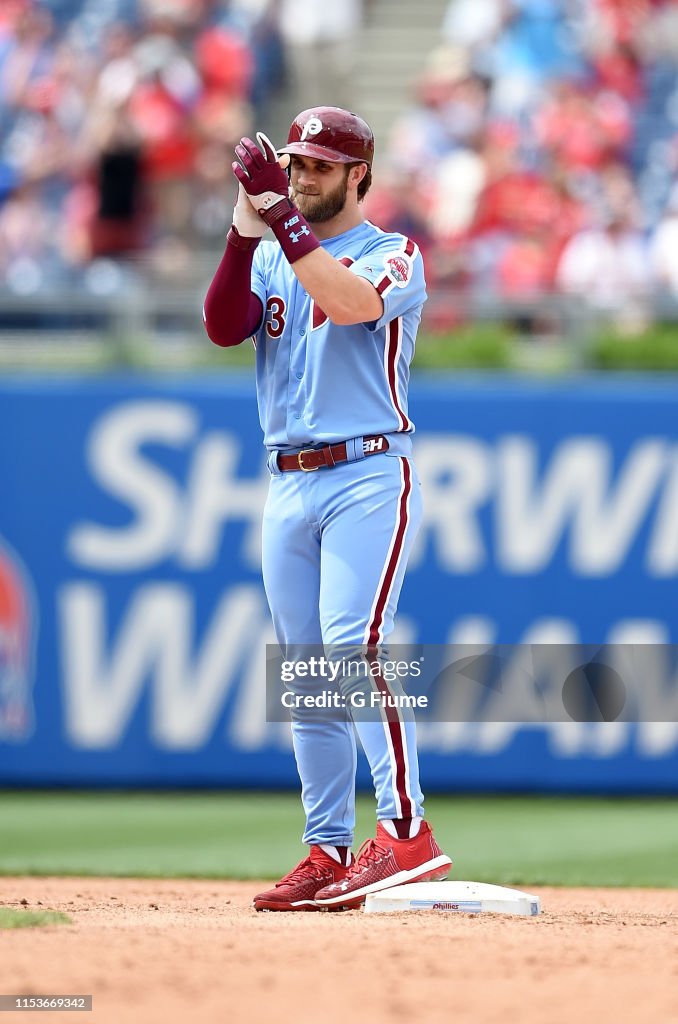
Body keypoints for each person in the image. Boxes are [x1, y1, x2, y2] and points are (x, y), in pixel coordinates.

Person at [203, 106, 452, 911]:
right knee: (308, 673)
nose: (302, 176)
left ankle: (407, 833)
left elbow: (348, 304)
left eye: (318, 166)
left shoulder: (395, 253)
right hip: (287, 475)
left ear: (358, 175)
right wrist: (246, 231)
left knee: (354, 648)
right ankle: (326, 849)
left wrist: (276, 214)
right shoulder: (278, 250)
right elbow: (222, 326)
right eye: (295, 163)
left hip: (367, 470)